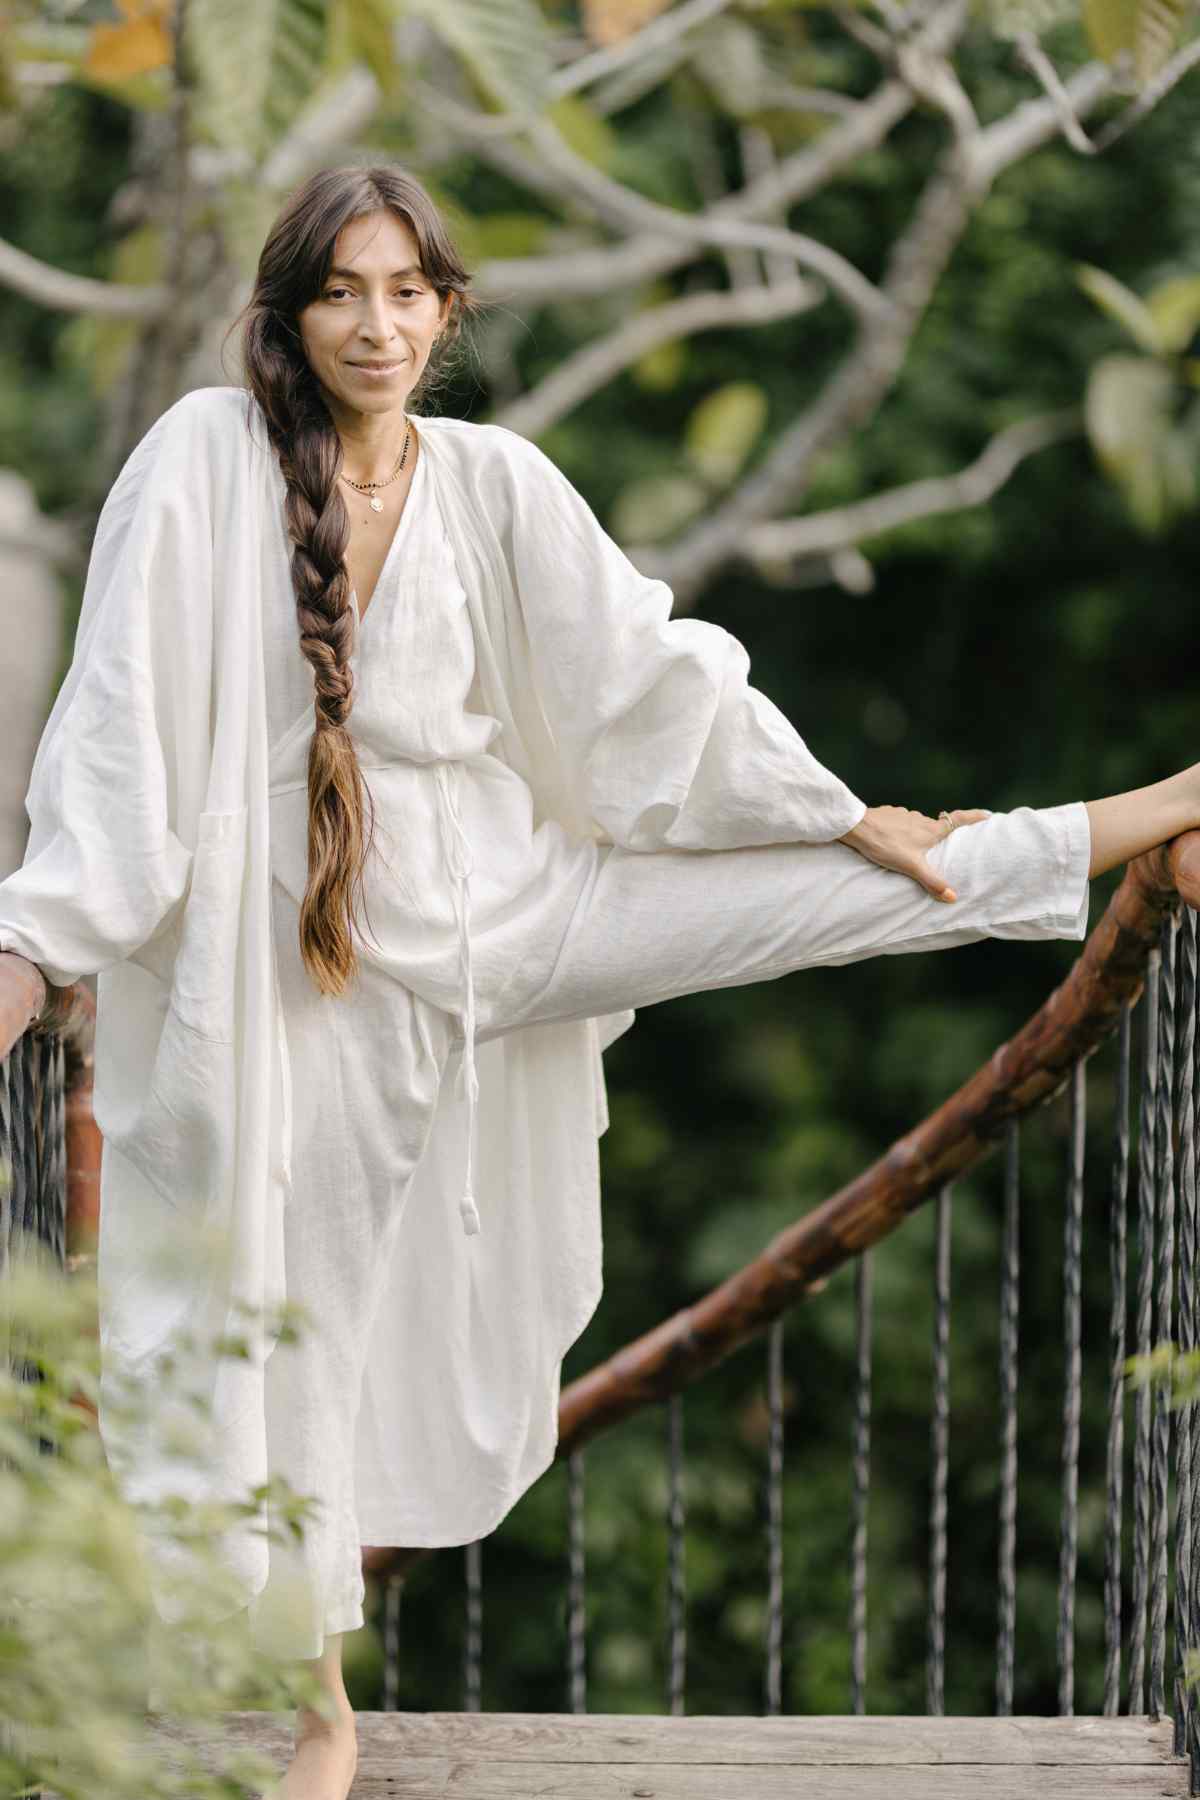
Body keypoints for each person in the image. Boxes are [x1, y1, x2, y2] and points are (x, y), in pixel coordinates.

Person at [0, 163, 1197, 1800]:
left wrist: (845, 812)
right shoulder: (199, 465)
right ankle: (321, 1714)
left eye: (407, 292)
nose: (377, 323)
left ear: (448, 311)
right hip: (303, 967)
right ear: (285, 316)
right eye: (341, 292)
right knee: (296, 1326)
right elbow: (118, 751)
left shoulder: (491, 479)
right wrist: (32, 952)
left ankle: (1153, 806)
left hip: (506, 897)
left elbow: (645, 693)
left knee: (836, 895)